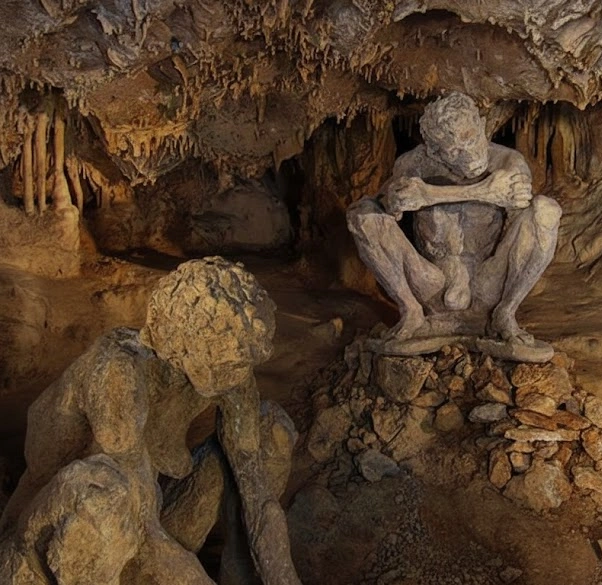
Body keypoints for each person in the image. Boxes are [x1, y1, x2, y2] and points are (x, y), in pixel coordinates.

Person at [0, 257, 300, 585]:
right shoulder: (119, 374)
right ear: (190, 346)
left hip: (146, 522)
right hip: (68, 543)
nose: (241, 375)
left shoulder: (226, 374)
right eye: (231, 361)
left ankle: (237, 573)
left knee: (271, 430)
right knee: (104, 492)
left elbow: (258, 498)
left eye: (244, 362)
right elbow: (141, 531)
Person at [347, 92, 561, 349]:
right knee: (362, 216)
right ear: (435, 152)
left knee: (545, 210)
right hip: (430, 283)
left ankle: (505, 313)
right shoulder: (414, 164)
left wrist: (428, 195)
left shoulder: (506, 161)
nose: (469, 154)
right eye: (454, 151)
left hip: (487, 282)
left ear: (481, 125)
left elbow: (519, 198)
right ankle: (411, 311)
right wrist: (398, 200)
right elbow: (386, 205)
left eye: (470, 138)